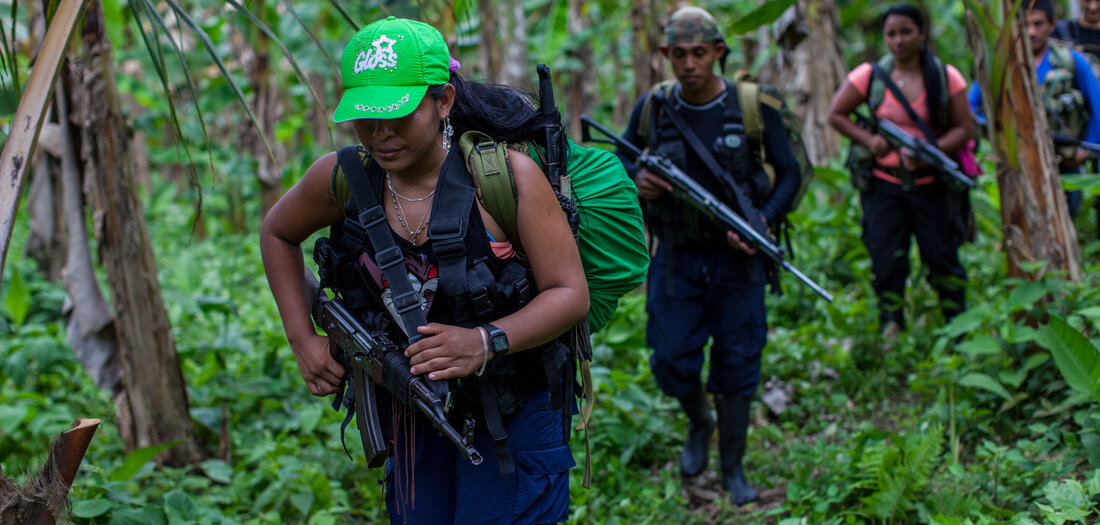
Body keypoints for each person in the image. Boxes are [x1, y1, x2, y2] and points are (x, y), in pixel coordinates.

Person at [259, 16, 588, 524]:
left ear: (443, 102)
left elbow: (569, 292)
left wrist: (483, 340)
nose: (382, 134)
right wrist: (300, 335)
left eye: (400, 114)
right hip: (412, 409)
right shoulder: (342, 176)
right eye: (366, 117)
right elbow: (277, 234)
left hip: (513, 403)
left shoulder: (503, 179)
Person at [618, 6, 801, 506]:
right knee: (670, 358)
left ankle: (734, 467)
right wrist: (638, 180)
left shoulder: (753, 106)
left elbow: (790, 174)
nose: (689, 63)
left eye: (699, 52)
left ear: (719, 51)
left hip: (736, 259)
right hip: (676, 257)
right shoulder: (652, 108)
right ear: (665, 56)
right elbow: (619, 160)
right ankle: (700, 421)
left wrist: (761, 221)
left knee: (738, 361)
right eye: (678, 54)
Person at [828, 4, 973, 334]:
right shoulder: (870, 76)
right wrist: (870, 140)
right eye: (891, 34)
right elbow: (836, 113)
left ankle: (956, 328)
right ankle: (890, 326)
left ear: (921, 33)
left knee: (943, 257)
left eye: (906, 32)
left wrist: (929, 153)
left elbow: (965, 129)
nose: (898, 40)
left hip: (930, 184)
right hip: (883, 187)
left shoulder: (944, 76)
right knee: (886, 259)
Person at [969, 0, 1100, 218]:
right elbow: (973, 105)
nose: (1031, 32)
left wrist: (1085, 149)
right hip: (1016, 164)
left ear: (1052, 24)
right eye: (1025, 24)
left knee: (1065, 217)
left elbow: (1096, 107)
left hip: (1063, 161)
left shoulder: (1071, 61)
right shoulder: (1003, 60)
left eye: (1038, 24)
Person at [1053, 0, 1100, 233]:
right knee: (1066, 195)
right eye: (1087, 0)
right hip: (1070, 130)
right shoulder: (1061, 33)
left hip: (1094, 128)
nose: (1092, 7)